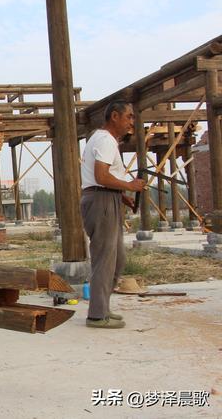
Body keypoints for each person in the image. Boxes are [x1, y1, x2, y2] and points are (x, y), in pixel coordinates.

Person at [80, 100, 146, 329]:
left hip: (107, 197)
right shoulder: (106, 140)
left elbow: (103, 179)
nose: (131, 122)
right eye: (129, 116)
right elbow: (101, 176)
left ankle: (103, 307)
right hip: (101, 199)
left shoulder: (102, 139)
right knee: (105, 260)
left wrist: (120, 194)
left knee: (117, 259)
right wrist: (130, 186)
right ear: (115, 116)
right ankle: (97, 316)